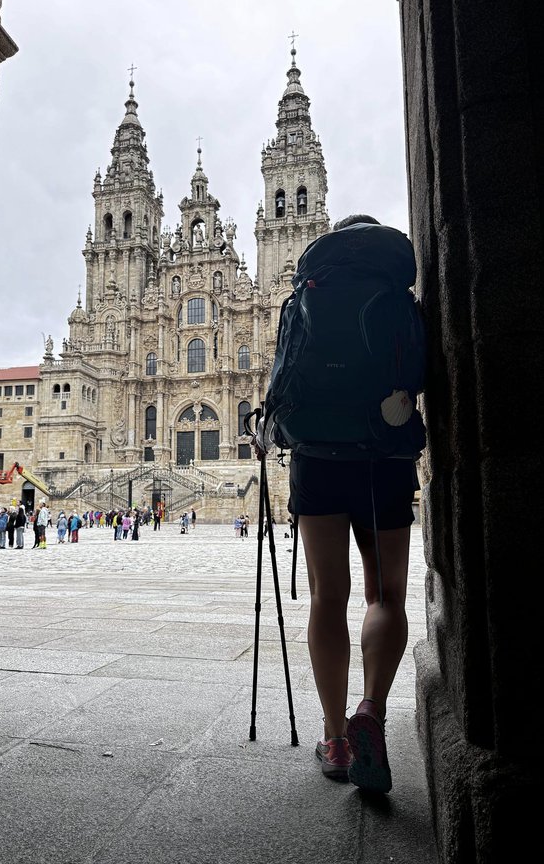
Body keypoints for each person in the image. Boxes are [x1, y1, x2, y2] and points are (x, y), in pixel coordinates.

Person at [253, 214, 423, 795]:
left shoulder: (305, 297)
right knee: (385, 593)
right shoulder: (397, 296)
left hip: (318, 459)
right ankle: (370, 711)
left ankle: (335, 736)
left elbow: (281, 381)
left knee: (329, 595)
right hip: (384, 458)